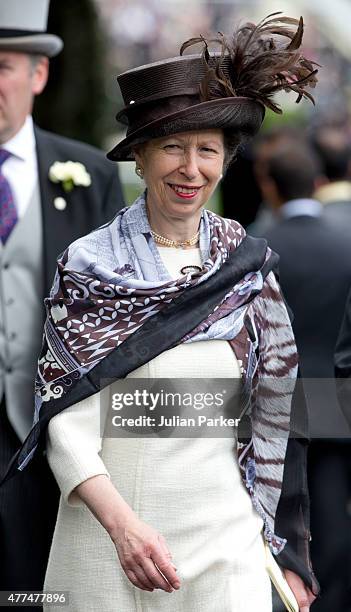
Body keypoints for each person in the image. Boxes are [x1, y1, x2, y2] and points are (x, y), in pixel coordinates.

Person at [2, 14, 318, 612]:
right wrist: (123, 528)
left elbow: (281, 415)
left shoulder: (250, 269)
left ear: (225, 163)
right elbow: (65, 426)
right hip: (108, 547)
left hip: (227, 550)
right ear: (140, 161)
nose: (189, 168)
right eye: (171, 147)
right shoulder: (90, 265)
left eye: (206, 150)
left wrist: (290, 555)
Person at [0, 0, 124, 598]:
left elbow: (113, 312)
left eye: (1, 66)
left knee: (39, 592)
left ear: (38, 75)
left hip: (49, 439)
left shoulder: (86, 173)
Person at [254, 140, 351, 611]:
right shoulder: (347, 240)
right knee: (332, 510)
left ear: (268, 186)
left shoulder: (259, 246)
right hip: (335, 398)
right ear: (317, 184)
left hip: (276, 400)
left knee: (276, 512)